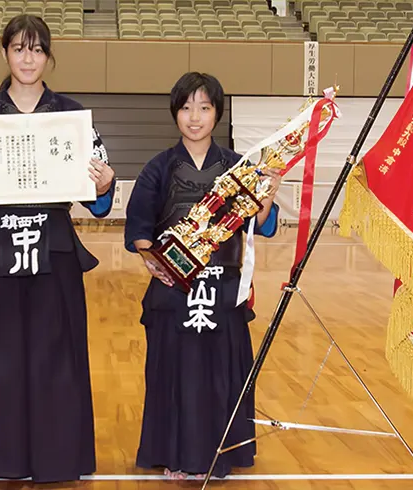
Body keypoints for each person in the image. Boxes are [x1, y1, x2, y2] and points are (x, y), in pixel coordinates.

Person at [0, 14, 116, 483]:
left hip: (54, 249)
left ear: (48, 57)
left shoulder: (72, 116)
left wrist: (105, 182)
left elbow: (99, 205)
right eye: (19, 48)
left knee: (55, 355)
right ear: (4, 53)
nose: (27, 58)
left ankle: (57, 457)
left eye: (37, 49)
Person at [123, 72, 281, 480]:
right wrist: (149, 258)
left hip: (224, 289)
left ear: (217, 114)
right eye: (187, 107)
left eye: (205, 107)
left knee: (220, 374)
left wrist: (267, 197)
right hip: (174, 290)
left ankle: (220, 455)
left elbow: (260, 225)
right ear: (175, 112)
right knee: (174, 374)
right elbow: (138, 228)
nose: (195, 117)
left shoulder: (237, 168)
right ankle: (175, 455)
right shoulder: (158, 167)